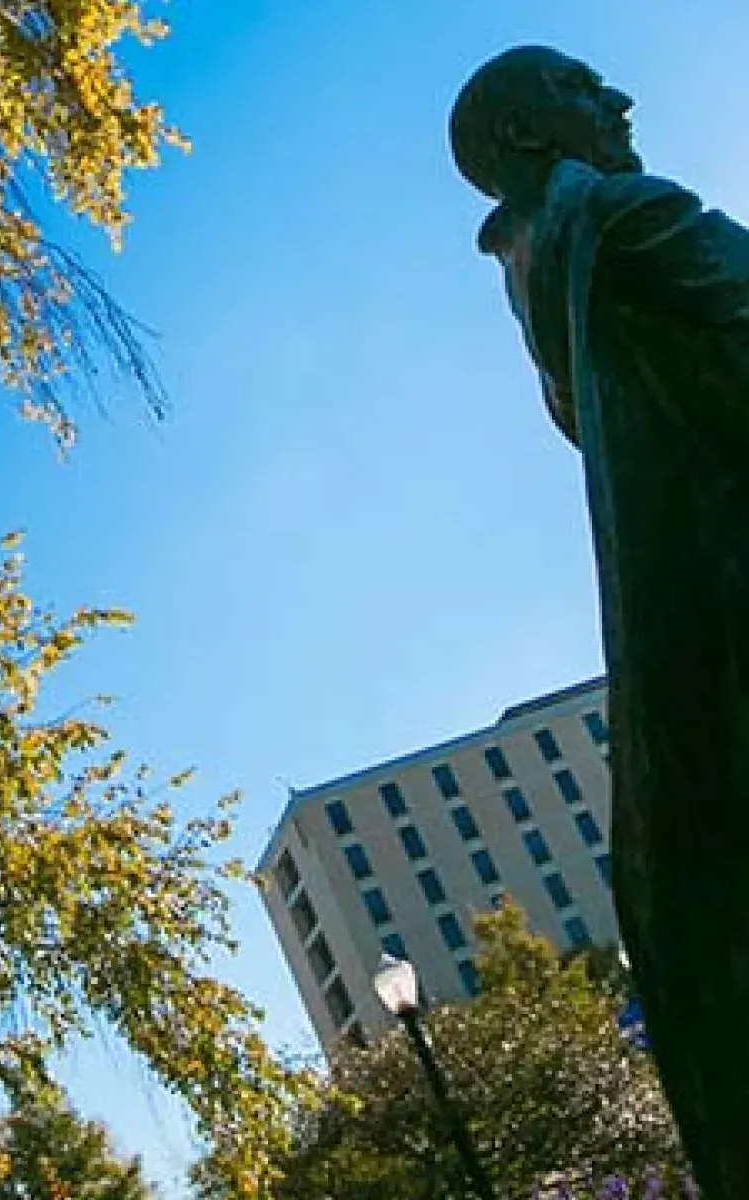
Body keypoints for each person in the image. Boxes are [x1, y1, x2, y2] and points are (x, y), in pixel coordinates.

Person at [450, 47, 749, 1200]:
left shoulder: (539, 281)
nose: (617, 100)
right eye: (581, 89)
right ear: (529, 136)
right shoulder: (620, 220)